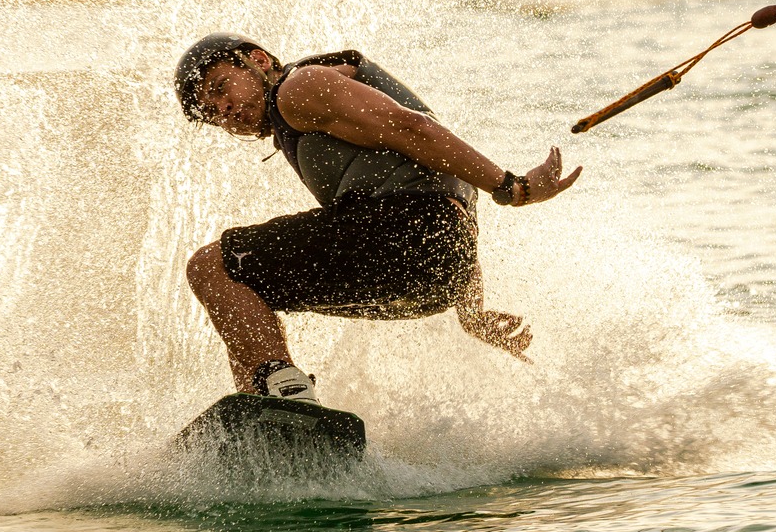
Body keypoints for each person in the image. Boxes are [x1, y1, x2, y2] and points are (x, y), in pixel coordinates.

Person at [175, 33, 581, 404]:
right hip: (435, 270)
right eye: (213, 113)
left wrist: (511, 187)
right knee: (243, 296)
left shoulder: (300, 88)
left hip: (399, 235)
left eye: (220, 88)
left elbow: (412, 129)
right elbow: (450, 204)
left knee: (212, 268)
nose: (224, 110)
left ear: (259, 61)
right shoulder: (312, 106)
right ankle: (262, 409)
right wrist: (470, 309)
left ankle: (283, 397)